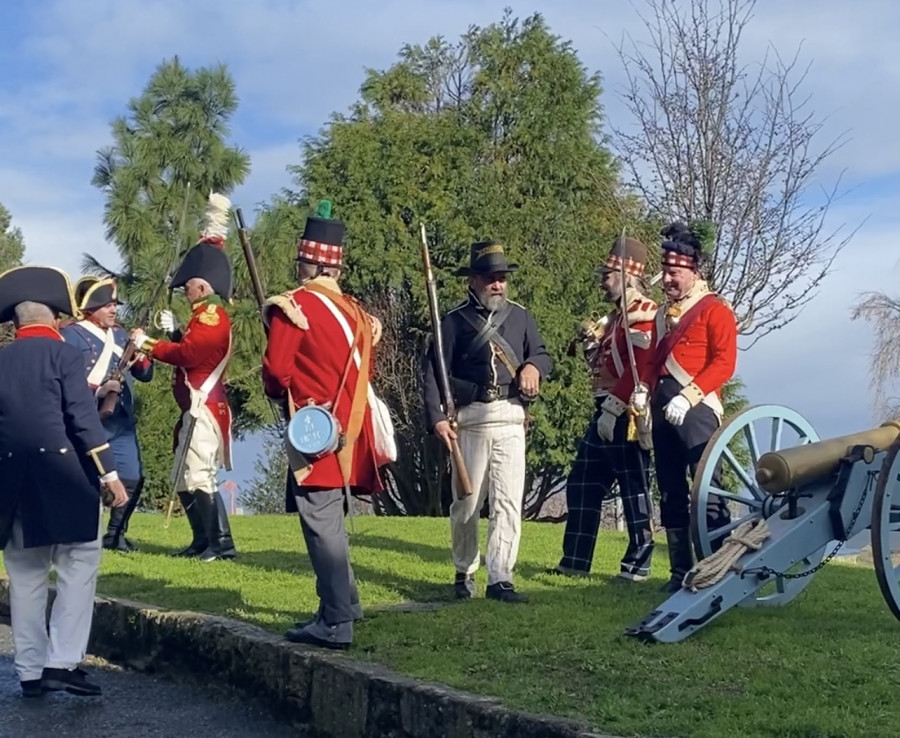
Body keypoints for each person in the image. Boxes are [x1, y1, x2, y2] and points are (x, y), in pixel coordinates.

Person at [261, 199, 385, 650]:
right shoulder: (357, 312)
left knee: (320, 522)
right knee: (328, 518)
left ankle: (336, 621)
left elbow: (276, 372)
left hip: (314, 428)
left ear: (308, 260)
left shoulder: (294, 306)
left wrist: (279, 392)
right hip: (352, 430)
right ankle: (345, 603)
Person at [0, 265, 129, 699]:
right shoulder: (66, 356)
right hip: (67, 479)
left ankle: (30, 671)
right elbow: (82, 421)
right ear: (55, 317)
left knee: (26, 577)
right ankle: (63, 661)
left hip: (13, 483)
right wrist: (111, 474)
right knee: (78, 567)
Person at [422, 240, 553, 604]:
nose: (498, 285)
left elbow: (542, 355)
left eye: (501, 278)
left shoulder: (521, 317)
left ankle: (501, 576)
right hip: (472, 419)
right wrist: (437, 419)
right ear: (473, 282)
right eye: (490, 278)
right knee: (466, 502)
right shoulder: (452, 322)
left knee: (509, 502)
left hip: (510, 416)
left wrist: (532, 366)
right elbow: (434, 372)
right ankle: (464, 571)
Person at [131, 192, 237, 562]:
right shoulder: (199, 317)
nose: (185, 288)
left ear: (203, 286)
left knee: (199, 474)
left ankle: (221, 543)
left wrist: (149, 344)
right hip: (193, 406)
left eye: (189, 284)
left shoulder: (211, 317)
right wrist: (174, 334)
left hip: (203, 406)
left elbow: (190, 355)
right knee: (184, 473)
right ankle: (201, 541)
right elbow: (190, 351)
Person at [550, 235, 657, 581]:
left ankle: (638, 565)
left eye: (608, 274)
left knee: (633, 488)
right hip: (603, 410)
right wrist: (592, 347)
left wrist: (614, 408)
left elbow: (640, 368)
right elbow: (605, 368)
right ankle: (575, 560)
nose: (602, 280)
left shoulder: (643, 314)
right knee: (582, 483)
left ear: (627, 274)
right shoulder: (615, 318)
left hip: (628, 412)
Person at [647, 222, 737, 592]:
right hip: (662, 409)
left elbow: (724, 362)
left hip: (697, 409)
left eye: (674, 272)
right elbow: (654, 362)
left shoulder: (715, 310)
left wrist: (689, 395)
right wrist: (643, 389)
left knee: (706, 490)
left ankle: (715, 570)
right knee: (669, 488)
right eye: (665, 272)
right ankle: (678, 571)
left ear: (693, 272)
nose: (667, 279)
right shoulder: (660, 315)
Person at [61, 276, 154, 552]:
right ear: (89, 308)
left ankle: (115, 534)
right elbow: (65, 378)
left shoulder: (123, 336)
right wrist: (98, 390)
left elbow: (145, 374)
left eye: (114, 304)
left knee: (132, 476)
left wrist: (142, 348)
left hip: (121, 420)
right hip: (87, 417)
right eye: (106, 305)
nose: (113, 310)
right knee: (83, 478)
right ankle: (81, 533)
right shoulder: (70, 335)